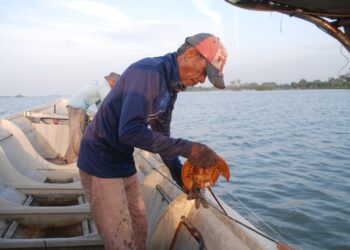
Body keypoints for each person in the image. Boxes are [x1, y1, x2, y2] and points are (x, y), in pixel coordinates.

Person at [77, 33, 227, 250]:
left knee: (139, 228)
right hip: (99, 159)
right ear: (191, 53)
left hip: (123, 159)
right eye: (205, 72)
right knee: (120, 240)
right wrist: (189, 148)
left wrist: (182, 179)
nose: (203, 80)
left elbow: (162, 136)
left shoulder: (171, 88)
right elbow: (129, 132)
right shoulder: (148, 72)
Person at [64, 72, 120, 164]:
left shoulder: (100, 82)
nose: (115, 87)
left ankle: (68, 156)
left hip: (74, 105)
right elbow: (108, 103)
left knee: (74, 133)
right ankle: (74, 160)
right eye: (116, 84)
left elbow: (100, 104)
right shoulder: (104, 85)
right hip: (77, 107)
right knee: (77, 134)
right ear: (112, 81)